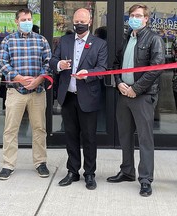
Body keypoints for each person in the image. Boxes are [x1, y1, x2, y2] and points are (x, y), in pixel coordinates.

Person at [106, 3, 165, 197]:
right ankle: (127, 171)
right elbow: (116, 64)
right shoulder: (127, 38)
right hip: (124, 94)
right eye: (132, 15)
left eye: (138, 15)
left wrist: (136, 89)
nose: (134, 18)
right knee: (124, 136)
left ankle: (145, 179)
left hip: (142, 97)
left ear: (146, 19)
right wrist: (119, 83)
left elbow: (156, 68)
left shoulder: (154, 39)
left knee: (145, 139)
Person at [49, 8, 107, 190]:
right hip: (68, 97)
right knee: (71, 136)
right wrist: (59, 64)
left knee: (89, 137)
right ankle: (72, 171)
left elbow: (102, 69)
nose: (79, 24)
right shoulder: (64, 41)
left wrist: (87, 74)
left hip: (88, 97)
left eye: (83, 21)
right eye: (76, 21)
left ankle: (89, 173)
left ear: (89, 22)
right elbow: (52, 61)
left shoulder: (99, 44)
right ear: (72, 22)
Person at [0, 8, 52, 180]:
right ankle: (8, 164)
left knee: (39, 128)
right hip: (16, 91)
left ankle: (40, 162)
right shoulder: (8, 41)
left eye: (29, 19)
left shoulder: (41, 40)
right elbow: (1, 63)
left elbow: (48, 63)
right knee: (11, 130)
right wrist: (18, 78)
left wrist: (38, 79)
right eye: (24, 19)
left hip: (37, 91)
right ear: (16, 21)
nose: (27, 22)